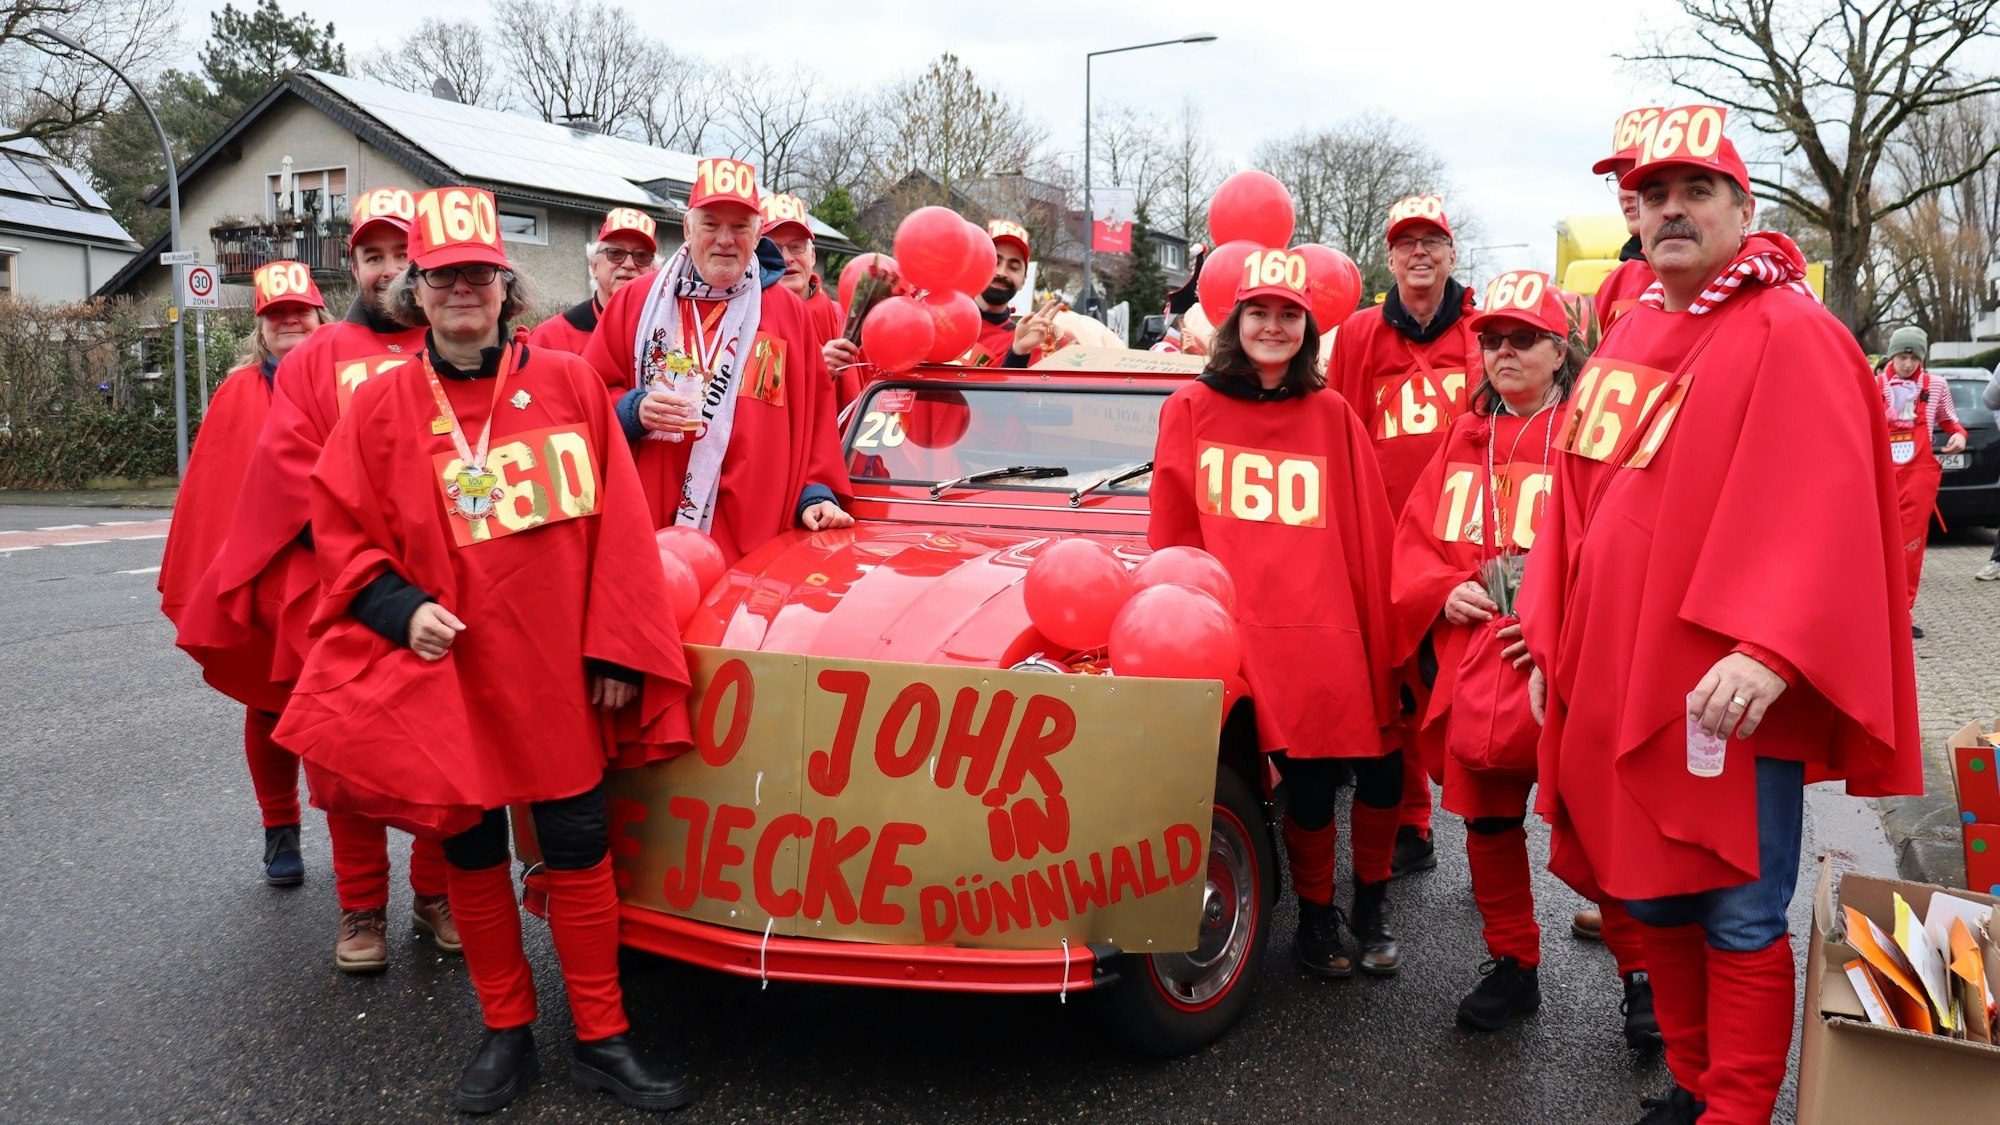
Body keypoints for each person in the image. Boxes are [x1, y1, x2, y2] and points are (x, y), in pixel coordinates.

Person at [1518, 114, 1921, 1125]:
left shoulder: (1792, 331)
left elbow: (1829, 503)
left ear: (1743, 208)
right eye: (1653, 195)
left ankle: (1735, 1110)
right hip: (1617, 669)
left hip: (1722, 688)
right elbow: (1572, 503)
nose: (1670, 210)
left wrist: (1771, 647)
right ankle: (1694, 1087)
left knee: (1739, 909)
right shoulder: (1628, 333)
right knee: (1649, 891)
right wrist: (1550, 641)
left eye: (1694, 190)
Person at [273, 187, 696, 1114]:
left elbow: (623, 528)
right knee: (470, 849)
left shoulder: (573, 384)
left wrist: (618, 647)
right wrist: (397, 608)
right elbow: (340, 531)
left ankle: (602, 1036)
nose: (462, 289)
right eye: (442, 276)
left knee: (579, 846)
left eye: (478, 273)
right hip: (449, 675)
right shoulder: (379, 407)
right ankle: (506, 1031)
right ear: (416, 292)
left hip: (558, 672)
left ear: (507, 286)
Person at [180, 185, 456, 973]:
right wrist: (373, 566)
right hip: (345, 588)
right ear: (355, 267)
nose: (389, 269)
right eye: (373, 256)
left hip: (446, 582)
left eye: (403, 254)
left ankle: (435, 893)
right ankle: (360, 905)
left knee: (444, 744)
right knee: (346, 749)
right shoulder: (318, 360)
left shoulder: (463, 344)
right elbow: (289, 482)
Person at [1389, 270, 1657, 1047]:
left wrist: (1550, 627)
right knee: (1488, 816)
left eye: (1524, 338)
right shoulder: (1462, 438)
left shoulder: (1592, 435)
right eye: (1493, 339)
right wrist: (1443, 590)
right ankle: (1513, 961)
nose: (1504, 352)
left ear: (1559, 349)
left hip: (1571, 662)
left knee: (1599, 821)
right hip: (1480, 661)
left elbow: (1626, 549)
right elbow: (1416, 541)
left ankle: (1642, 975)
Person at [1149, 248, 1403, 980]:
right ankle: (1316, 917)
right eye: (1258, 312)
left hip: (1326, 627)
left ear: (1307, 328)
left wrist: (1386, 633)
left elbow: (1368, 531)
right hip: (1239, 628)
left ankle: (1368, 903)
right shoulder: (1189, 407)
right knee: (1304, 782)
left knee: (1367, 770)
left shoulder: (1331, 413)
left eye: (1288, 314)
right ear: (1235, 322)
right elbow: (1175, 532)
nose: (1272, 326)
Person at [582, 158, 854, 564]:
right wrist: (633, 410)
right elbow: (587, 397)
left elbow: (815, 416)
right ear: (687, 229)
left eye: (740, 226)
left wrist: (817, 493)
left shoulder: (788, 313)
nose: (725, 240)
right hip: (650, 525)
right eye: (711, 224)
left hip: (756, 533)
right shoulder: (636, 303)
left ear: (757, 234)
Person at [159, 260, 332, 886]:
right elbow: (215, 490)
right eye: (275, 314)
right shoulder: (237, 392)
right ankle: (279, 828)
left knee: (340, 707)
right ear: (261, 326)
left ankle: (361, 854)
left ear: (319, 316)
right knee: (268, 705)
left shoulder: (350, 377)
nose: (289, 322)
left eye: (299, 311)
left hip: (340, 570)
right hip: (263, 577)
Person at [1328, 194, 1484, 878]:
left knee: (1471, 682)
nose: (1419, 253)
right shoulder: (1360, 334)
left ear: (1451, 254)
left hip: (1463, 539)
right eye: (1406, 243)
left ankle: (1486, 832)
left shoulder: (1481, 332)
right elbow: (1340, 430)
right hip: (1385, 539)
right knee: (1394, 684)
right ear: (1389, 258)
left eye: (1432, 241)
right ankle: (1412, 823)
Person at [1877, 325, 1966, 636]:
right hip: (1880, 475)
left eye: (1914, 358)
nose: (1908, 364)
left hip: (1918, 476)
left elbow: (1951, 421)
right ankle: (1873, 612)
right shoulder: (1874, 385)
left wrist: (1959, 436)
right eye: (1902, 357)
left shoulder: (1936, 385)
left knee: (1910, 547)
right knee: (1875, 545)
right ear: (1892, 355)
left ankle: (1902, 615)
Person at [527, 208, 660, 355]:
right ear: (594, 266)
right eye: (615, 253)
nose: (629, 264)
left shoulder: (672, 333)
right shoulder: (551, 338)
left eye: (642, 256)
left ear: (655, 270)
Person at [1591, 108, 1664, 335]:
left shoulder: (1730, 275)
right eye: (1619, 180)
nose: (1625, 193)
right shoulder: (1614, 284)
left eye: (1637, 177)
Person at [759, 192, 843, 345]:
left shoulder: (842, 320)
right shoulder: (745, 320)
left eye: (796, 247)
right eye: (774, 249)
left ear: (812, 255)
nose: (786, 258)